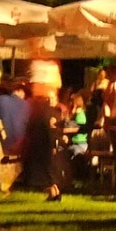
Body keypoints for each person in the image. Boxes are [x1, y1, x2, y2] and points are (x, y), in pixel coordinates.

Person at [23, 60, 67, 201]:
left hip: (42, 109)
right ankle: (53, 189)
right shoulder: (51, 67)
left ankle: (53, 188)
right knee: (45, 154)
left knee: (42, 152)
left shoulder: (43, 66)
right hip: (44, 112)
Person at [0, 81, 30, 153]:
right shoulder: (29, 106)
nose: (24, 97)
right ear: (20, 91)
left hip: (2, 150)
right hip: (23, 151)